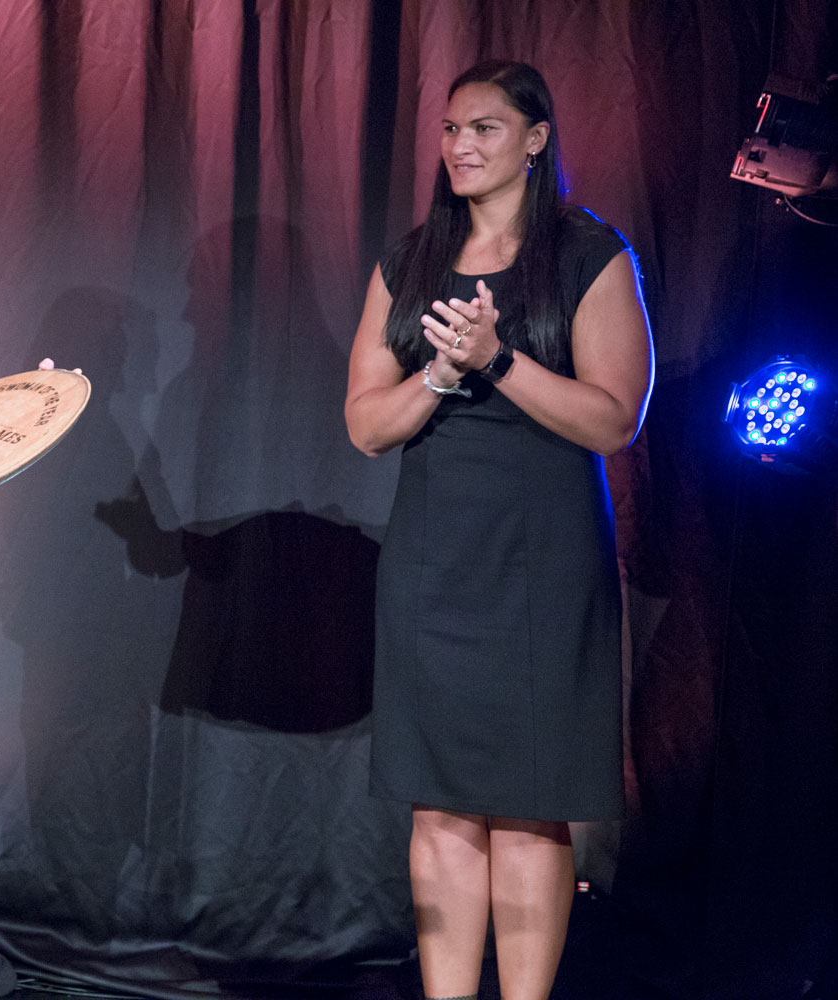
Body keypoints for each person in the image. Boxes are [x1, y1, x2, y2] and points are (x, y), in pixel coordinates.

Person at [344, 61, 653, 1000]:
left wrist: (497, 358)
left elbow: (614, 419)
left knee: (529, 812)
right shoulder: (410, 264)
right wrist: (436, 378)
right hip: (436, 565)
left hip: (544, 565)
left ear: (535, 138)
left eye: (484, 128)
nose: (461, 146)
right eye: (449, 131)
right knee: (439, 809)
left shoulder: (589, 255)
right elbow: (364, 427)